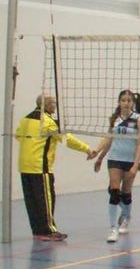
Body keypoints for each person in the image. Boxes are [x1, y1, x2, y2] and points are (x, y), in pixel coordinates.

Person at [15, 94, 96, 241]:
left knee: (31, 201)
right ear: (46, 105)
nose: (55, 105)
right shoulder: (48, 122)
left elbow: (18, 136)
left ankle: (38, 231)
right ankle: (49, 231)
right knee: (45, 200)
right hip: (40, 167)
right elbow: (67, 139)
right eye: (53, 103)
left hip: (24, 166)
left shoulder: (25, 119)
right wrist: (87, 149)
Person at [93, 90, 140, 243]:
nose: (126, 103)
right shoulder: (114, 119)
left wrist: (137, 163)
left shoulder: (139, 119)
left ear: (132, 103)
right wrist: (99, 155)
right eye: (123, 100)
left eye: (129, 100)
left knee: (126, 192)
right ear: (119, 102)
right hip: (115, 159)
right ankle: (113, 229)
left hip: (130, 160)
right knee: (114, 192)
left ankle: (127, 217)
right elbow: (109, 139)